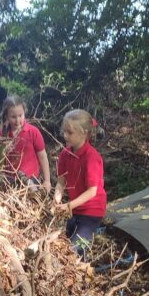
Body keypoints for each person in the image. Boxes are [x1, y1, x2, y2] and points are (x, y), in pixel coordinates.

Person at [54, 109, 106, 256]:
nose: (65, 136)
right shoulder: (65, 154)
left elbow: (92, 191)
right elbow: (61, 182)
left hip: (92, 211)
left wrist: (69, 205)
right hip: (76, 210)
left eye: (69, 132)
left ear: (84, 133)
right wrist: (57, 198)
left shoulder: (91, 157)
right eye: (64, 131)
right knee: (63, 238)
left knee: (74, 250)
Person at [0, 96, 50, 191]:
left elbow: (43, 156)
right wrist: (2, 147)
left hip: (31, 180)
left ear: (24, 113)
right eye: (13, 117)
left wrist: (47, 181)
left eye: (20, 115)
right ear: (6, 116)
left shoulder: (33, 131)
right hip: (9, 180)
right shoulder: (2, 133)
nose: (17, 120)